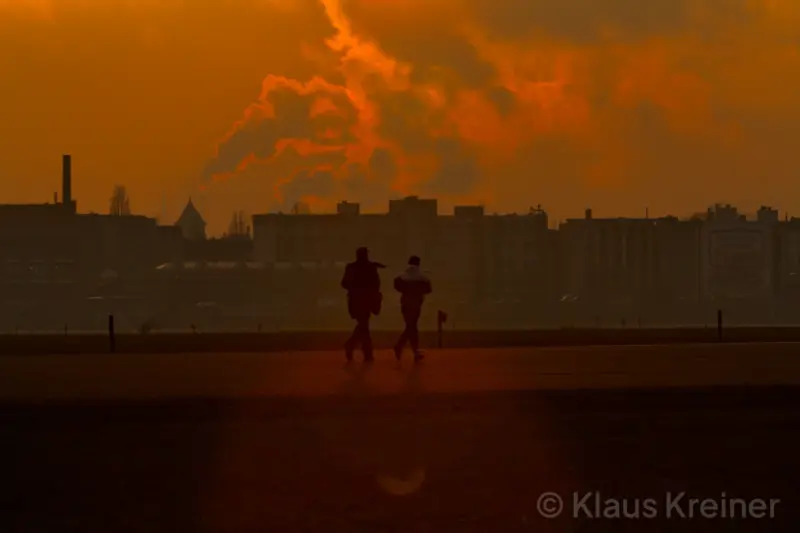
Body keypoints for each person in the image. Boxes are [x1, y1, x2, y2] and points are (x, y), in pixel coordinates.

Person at [341, 247, 384, 362]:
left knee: (363, 325)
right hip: (366, 300)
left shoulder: (351, 268)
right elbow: (376, 283)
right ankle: (365, 352)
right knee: (364, 325)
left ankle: (357, 348)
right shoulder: (370, 267)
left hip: (356, 300)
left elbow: (344, 283)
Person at [393, 255, 432, 362]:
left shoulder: (403, 276)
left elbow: (397, 286)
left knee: (411, 327)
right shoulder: (422, 277)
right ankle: (402, 347)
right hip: (416, 304)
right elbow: (428, 289)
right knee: (412, 327)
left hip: (405, 303)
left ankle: (412, 351)